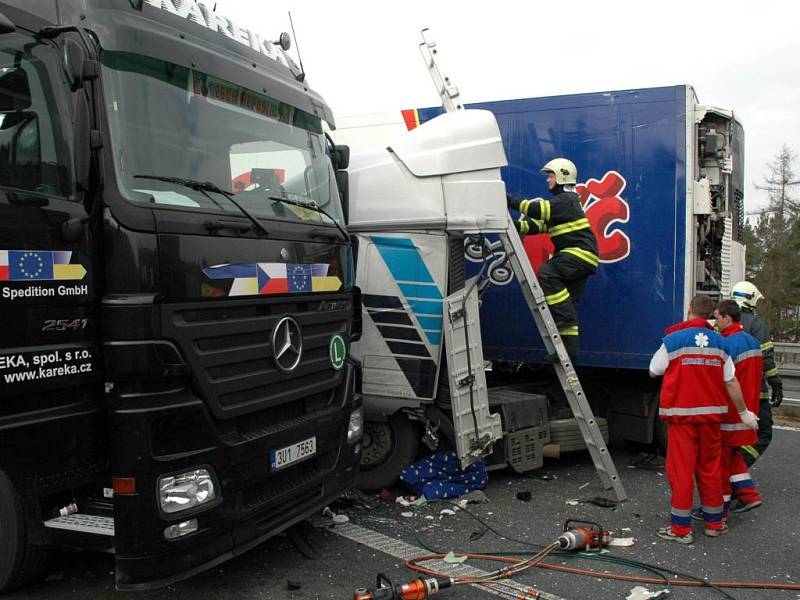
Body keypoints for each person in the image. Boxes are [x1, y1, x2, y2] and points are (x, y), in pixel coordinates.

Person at [649, 294, 758, 544]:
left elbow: (654, 369)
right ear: (711, 315)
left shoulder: (673, 340)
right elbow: (730, 381)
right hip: (712, 419)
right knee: (710, 470)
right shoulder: (721, 343)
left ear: (690, 311)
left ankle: (681, 530)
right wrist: (743, 412)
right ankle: (714, 524)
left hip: (682, 419)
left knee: (681, 472)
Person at [507, 158, 598, 360]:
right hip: (583, 257)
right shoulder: (564, 205)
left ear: (562, 176)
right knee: (569, 304)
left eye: (550, 176)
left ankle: (563, 317)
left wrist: (507, 199)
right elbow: (537, 226)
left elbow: (536, 210)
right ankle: (568, 353)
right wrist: (512, 225)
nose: (548, 180)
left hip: (578, 254)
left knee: (547, 273)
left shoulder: (566, 200)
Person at [712, 300, 764, 516]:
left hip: (731, 413)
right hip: (748, 409)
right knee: (734, 456)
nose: (715, 322)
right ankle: (749, 495)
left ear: (727, 318)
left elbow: (724, 380)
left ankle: (719, 509)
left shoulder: (728, 344)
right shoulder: (752, 341)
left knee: (721, 463)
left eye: (717, 318)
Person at [730, 281, 782, 488]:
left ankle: (729, 478)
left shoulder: (721, 323)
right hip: (753, 393)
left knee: (730, 438)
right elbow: (766, 359)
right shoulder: (755, 324)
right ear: (750, 299)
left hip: (728, 392)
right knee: (763, 434)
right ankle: (736, 473)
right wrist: (776, 384)